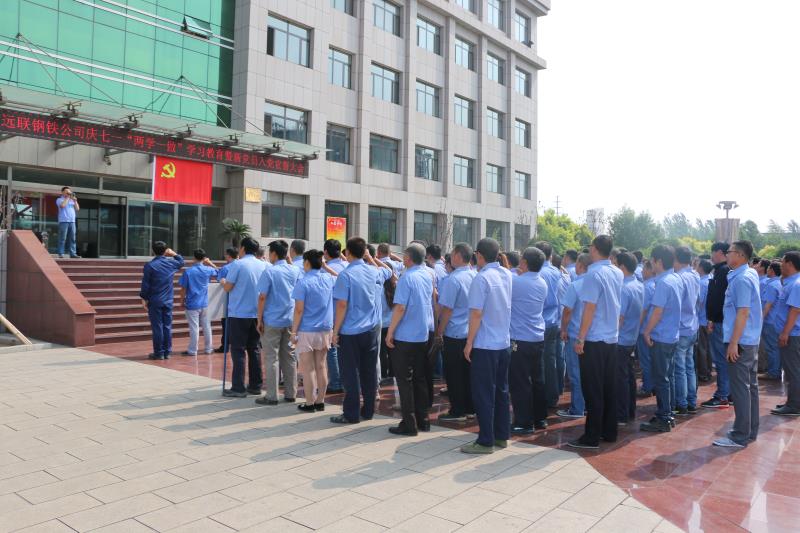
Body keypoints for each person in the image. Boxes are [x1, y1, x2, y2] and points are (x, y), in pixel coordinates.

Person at [567, 235, 623, 450]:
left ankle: (591, 436)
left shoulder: (593, 274)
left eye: (591, 246)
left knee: (592, 389)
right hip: (611, 337)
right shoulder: (617, 272)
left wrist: (580, 337)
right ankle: (609, 431)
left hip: (594, 338)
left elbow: (589, 308)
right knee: (609, 387)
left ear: (595, 249)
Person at [330, 238, 392, 424]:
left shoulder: (345, 275)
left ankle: (351, 413)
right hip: (371, 330)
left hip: (350, 331)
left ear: (348, 252)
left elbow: (342, 305)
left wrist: (335, 331)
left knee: (350, 373)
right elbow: (389, 272)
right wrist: (370, 258)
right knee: (369, 372)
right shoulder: (374, 271)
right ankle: (368, 411)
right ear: (364, 252)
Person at [460, 238, 513, 454]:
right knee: (501, 391)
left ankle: (485, 441)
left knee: (483, 393)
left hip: (485, 344)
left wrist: (469, 342)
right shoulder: (507, 274)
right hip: (503, 342)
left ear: (479, 255)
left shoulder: (481, 278)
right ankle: (501, 435)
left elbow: (476, 313)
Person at [713, 240, 762, 448]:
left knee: (741, 389)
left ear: (741, 255)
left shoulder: (742, 278)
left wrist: (733, 343)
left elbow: (743, 312)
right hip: (749, 339)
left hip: (741, 341)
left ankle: (740, 435)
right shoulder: (748, 274)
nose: (727, 254)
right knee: (750, 387)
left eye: (730, 251)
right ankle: (750, 430)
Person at [385, 243, 435, 436]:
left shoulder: (407, 277)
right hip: (422, 334)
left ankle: (409, 423)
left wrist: (390, 332)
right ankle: (423, 420)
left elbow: (400, 307)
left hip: (406, 336)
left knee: (404, 380)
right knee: (419, 378)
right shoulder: (427, 275)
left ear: (408, 258)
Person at [640, 245, 682, 433]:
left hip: (662, 335)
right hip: (671, 335)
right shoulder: (675, 278)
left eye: (652, 260)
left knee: (661, 378)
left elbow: (657, 311)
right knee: (668, 376)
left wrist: (646, 331)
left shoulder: (664, 283)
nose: (651, 264)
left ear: (658, 261)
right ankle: (668, 413)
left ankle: (664, 417)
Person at [256, 239, 301, 406]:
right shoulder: (295, 270)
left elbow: (262, 297)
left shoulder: (270, 271)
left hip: (272, 320)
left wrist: (259, 319)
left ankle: (272, 395)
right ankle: (291, 393)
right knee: (289, 356)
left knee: (271, 358)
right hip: (290, 320)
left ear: (274, 254)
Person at [509, 247, 548, 434]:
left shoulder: (516, 282)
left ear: (524, 262)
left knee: (520, 381)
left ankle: (524, 422)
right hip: (537, 336)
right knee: (537, 379)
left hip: (520, 338)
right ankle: (540, 418)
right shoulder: (542, 282)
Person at [291, 250, 336, 413]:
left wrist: (293, 332)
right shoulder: (328, 279)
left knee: (308, 368)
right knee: (321, 366)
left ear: (307, 263)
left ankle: (309, 402)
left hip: (307, 329)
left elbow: (299, 310)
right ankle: (320, 401)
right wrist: (326, 267)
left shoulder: (303, 283)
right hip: (325, 329)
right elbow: (339, 276)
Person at [436, 242, 477, 422]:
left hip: (454, 333)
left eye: (452, 254)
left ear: (459, 256)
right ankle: (470, 408)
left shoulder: (453, 279)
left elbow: (447, 309)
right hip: (471, 333)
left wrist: (439, 331)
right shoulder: (475, 275)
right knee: (468, 374)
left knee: (454, 374)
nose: (450, 257)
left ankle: (457, 410)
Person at [222, 237, 266, 397]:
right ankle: (255, 385)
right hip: (257, 314)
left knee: (238, 350)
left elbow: (228, 287)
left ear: (243, 248)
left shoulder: (238, 264)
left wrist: (223, 282)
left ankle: (238, 387)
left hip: (239, 313)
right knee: (254, 349)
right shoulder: (264, 265)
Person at [557, 253, 591, 419]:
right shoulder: (595, 283)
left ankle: (577, 408)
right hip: (591, 335)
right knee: (589, 373)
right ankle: (587, 405)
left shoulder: (576, 285)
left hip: (575, 333)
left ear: (581, 266)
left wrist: (563, 329)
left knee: (575, 373)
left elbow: (567, 311)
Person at [140, 241, 184, 360]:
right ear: (165, 251)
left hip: (155, 300)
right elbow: (181, 262)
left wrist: (144, 298)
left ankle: (159, 353)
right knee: (167, 326)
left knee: (157, 327)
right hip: (168, 300)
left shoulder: (150, 265)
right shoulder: (171, 263)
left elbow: (145, 285)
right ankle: (167, 352)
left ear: (152, 251)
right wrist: (173, 253)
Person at [534, 241, 565, 409]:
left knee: (541, 363)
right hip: (553, 320)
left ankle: (543, 398)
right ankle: (552, 396)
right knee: (550, 361)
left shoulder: (538, 272)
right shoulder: (556, 271)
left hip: (541, 321)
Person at [702, 242, 732, 409]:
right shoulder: (722, 270)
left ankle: (722, 395)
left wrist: (712, 319)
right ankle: (728, 392)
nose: (711, 256)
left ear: (719, 252)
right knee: (725, 359)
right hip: (721, 320)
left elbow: (719, 299)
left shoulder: (723, 271)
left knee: (721, 360)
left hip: (720, 321)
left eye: (712, 252)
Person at [673, 246, 700, 415]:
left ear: (677, 258)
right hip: (692, 326)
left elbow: (675, 305)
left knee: (680, 368)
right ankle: (691, 401)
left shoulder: (679, 278)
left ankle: (681, 404)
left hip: (682, 327)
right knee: (689, 366)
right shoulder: (695, 275)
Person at [616, 252, 643, 425]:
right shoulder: (639, 285)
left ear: (622, 267)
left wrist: (612, 335)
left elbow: (620, 317)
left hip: (621, 338)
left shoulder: (623, 288)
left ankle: (621, 414)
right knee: (629, 376)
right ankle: (630, 410)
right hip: (632, 336)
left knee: (620, 378)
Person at [772, 251, 800, 416]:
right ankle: (793, 401)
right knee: (792, 369)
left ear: (789, 264)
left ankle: (794, 405)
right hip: (792, 333)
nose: (780, 265)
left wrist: (785, 333)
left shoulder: (796, 284)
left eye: (782, 262)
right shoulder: (791, 282)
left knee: (793, 370)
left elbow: (795, 310)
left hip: (792, 334)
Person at [178, 249, 218, 357]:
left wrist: (181, 301)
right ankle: (208, 348)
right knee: (207, 326)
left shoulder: (188, 271)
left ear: (194, 257)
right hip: (204, 303)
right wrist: (210, 263)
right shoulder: (208, 269)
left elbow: (183, 289)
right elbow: (219, 272)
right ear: (204, 258)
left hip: (192, 303)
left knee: (194, 328)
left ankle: (192, 350)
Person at [324, 239, 348, 394]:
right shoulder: (347, 266)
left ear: (326, 252)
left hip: (334, 315)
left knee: (332, 350)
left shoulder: (325, 270)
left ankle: (336, 382)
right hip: (351, 316)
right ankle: (345, 381)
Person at [759, 261, 782, 381]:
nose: (767, 270)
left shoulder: (772, 285)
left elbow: (768, 305)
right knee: (775, 347)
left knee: (772, 348)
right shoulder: (779, 283)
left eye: (768, 268)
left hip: (770, 321)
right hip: (776, 321)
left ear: (772, 270)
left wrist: (761, 319)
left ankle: (773, 372)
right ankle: (775, 370)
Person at [637, 260, 657, 396]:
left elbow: (643, 311)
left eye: (644, 269)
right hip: (655, 328)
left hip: (645, 329)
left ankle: (648, 387)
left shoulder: (647, 286)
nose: (642, 271)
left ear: (650, 270)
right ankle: (653, 385)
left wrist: (636, 327)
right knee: (653, 359)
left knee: (646, 360)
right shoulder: (657, 284)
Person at [215, 248, 239, 353]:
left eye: (226, 254)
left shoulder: (225, 268)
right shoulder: (242, 266)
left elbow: (219, 280)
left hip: (228, 299)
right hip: (240, 300)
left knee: (226, 324)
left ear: (229, 256)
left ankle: (225, 345)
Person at [695, 259, 714, 382]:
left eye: (697, 266)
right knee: (707, 347)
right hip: (708, 319)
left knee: (701, 348)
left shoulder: (702, 283)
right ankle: (707, 370)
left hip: (701, 319)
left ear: (701, 268)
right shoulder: (710, 280)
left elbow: (699, 302)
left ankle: (703, 373)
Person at [56, 186, 80, 258]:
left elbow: (77, 209)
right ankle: (61, 253)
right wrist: (67, 197)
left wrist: (75, 201)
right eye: (66, 192)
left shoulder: (72, 200)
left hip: (72, 222)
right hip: (63, 221)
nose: (68, 193)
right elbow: (63, 206)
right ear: (62, 192)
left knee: (73, 238)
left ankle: (73, 254)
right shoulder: (59, 199)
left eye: (69, 192)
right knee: (62, 238)